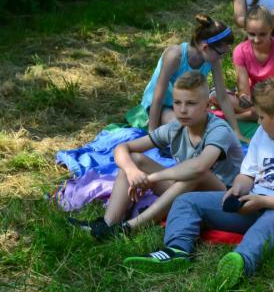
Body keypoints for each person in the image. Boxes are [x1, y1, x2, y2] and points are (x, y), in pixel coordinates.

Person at [123, 78, 274, 289]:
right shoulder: (264, 132)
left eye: (261, 117)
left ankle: (241, 262)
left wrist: (264, 202)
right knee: (187, 201)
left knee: (269, 223)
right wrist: (238, 189)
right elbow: (247, 174)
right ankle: (176, 251)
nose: (258, 123)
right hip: (256, 201)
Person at [69, 71, 244, 239]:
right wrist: (132, 171)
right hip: (185, 189)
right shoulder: (175, 128)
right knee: (134, 160)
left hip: (223, 197)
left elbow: (199, 167)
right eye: (177, 103)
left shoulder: (218, 130)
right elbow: (122, 148)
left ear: (207, 105)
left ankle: (129, 228)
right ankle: (107, 225)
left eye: (191, 103)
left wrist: (152, 178)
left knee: (197, 174)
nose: (182, 110)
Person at [140, 14, 240, 138]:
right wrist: (152, 133)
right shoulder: (175, 56)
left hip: (185, 104)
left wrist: (236, 131)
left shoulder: (213, 60)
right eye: (220, 53)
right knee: (185, 131)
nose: (222, 57)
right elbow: (158, 96)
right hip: (162, 106)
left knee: (213, 130)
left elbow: (222, 97)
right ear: (205, 47)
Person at [228, 6, 274, 121]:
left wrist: (269, 101)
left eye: (262, 34)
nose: (257, 39)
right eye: (252, 34)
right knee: (219, 96)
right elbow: (243, 89)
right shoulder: (240, 51)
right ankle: (257, 115)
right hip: (254, 98)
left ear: (271, 29)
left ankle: (244, 116)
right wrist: (244, 98)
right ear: (245, 30)